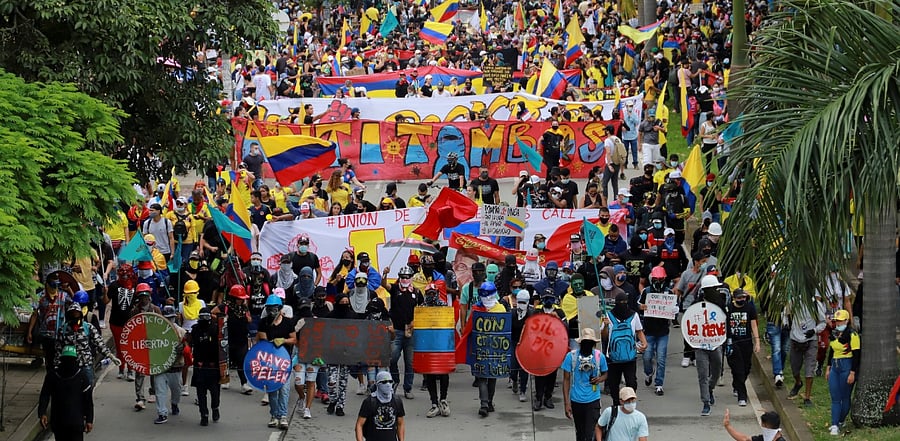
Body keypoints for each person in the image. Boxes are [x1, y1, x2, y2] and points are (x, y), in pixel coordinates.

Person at [257, 295, 297, 429]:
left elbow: (294, 339)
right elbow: (261, 338)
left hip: (284, 360)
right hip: (269, 361)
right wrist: (269, 342)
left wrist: (283, 340)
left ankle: (283, 416)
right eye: (269, 309)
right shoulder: (263, 323)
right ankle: (274, 415)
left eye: (274, 308)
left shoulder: (288, 323)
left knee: (284, 390)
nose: (271, 311)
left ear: (280, 308)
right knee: (272, 390)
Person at [38, 345, 94, 441]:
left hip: (60, 422)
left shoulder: (53, 375)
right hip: (73, 422)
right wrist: (89, 420)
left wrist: (42, 413)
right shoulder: (81, 376)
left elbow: (44, 395)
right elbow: (88, 400)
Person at [55, 303, 119, 385]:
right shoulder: (63, 330)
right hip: (69, 366)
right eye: (72, 314)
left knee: (88, 386)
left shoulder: (88, 327)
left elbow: (99, 343)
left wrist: (111, 356)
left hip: (86, 364)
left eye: (76, 314)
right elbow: (58, 350)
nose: (74, 316)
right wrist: (57, 366)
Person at [562, 328, 608, 441]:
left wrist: (599, 379)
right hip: (576, 400)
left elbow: (605, 374)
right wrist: (567, 403)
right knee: (580, 433)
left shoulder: (599, 357)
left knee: (590, 433)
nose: (587, 345)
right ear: (580, 343)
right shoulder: (571, 357)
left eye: (590, 343)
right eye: (585, 343)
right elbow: (566, 380)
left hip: (593, 399)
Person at [603, 293, 647, 408]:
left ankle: (629, 403)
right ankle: (616, 404)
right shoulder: (608, 316)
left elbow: (639, 331)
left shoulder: (634, 315)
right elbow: (604, 336)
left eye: (624, 302)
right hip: (613, 357)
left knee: (631, 382)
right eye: (620, 303)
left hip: (630, 357)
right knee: (613, 383)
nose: (623, 305)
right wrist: (605, 326)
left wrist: (644, 342)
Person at [385, 266, 422, 399]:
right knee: (393, 358)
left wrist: (414, 321)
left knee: (409, 362)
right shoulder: (395, 289)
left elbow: (421, 309)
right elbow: (384, 285)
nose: (405, 279)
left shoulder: (417, 292)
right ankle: (395, 381)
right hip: (396, 330)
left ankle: (408, 388)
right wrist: (384, 274)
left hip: (410, 331)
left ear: (411, 278)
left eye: (407, 277)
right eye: (402, 277)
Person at [471, 282, 507, 417]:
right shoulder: (476, 308)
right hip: (481, 348)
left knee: (492, 377)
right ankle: (484, 404)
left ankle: (489, 402)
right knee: (482, 377)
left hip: (496, 348)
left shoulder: (501, 309)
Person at [786, 293, 826, 407]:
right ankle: (798, 382)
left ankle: (807, 397)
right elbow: (786, 314)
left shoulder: (816, 304)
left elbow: (823, 322)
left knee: (809, 369)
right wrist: (788, 325)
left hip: (810, 340)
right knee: (795, 368)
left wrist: (814, 330)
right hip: (795, 339)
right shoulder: (794, 302)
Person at [639, 267, 673, 396]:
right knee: (646, 356)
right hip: (648, 331)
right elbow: (638, 305)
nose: (658, 281)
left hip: (663, 332)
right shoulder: (646, 292)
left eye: (660, 279)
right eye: (655, 279)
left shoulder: (669, 292)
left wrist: (674, 310)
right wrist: (641, 307)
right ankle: (649, 373)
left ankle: (659, 384)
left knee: (661, 358)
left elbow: (675, 307)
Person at [825, 309, 860, 436]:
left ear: (846, 321)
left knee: (845, 397)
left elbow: (856, 355)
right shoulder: (834, 334)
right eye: (836, 321)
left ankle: (840, 420)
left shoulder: (852, 335)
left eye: (840, 321)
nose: (838, 323)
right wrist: (828, 367)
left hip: (847, 365)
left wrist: (852, 372)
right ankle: (834, 424)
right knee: (835, 397)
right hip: (835, 366)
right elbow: (831, 351)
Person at [27, 272, 71, 369]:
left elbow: (75, 303)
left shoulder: (63, 295)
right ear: (47, 284)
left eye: (57, 285)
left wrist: (69, 289)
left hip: (60, 333)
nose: (55, 287)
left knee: (60, 358)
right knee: (49, 359)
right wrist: (30, 332)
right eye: (53, 285)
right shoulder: (40, 297)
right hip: (46, 334)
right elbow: (34, 314)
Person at [726, 289, 760, 407]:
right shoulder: (728, 309)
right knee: (738, 368)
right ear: (734, 298)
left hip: (746, 342)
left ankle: (737, 384)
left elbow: (754, 325)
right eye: (739, 298)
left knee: (746, 367)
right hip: (733, 342)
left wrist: (757, 342)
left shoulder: (750, 308)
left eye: (744, 298)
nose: (742, 300)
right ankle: (742, 396)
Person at [152, 305, 186, 424]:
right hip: (160, 367)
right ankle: (162, 413)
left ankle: (174, 403)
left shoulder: (181, 331)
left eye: (171, 317)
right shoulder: (155, 331)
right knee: (160, 391)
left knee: (177, 391)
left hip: (175, 367)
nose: (169, 320)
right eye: (167, 318)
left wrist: (183, 348)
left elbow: (187, 347)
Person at [422, 284, 452, 418]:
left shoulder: (444, 306)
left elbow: (449, 324)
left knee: (444, 373)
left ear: (437, 293)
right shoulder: (422, 308)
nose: (431, 296)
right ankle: (434, 403)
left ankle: (443, 400)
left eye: (433, 293)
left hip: (442, 345)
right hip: (428, 345)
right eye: (429, 293)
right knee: (429, 375)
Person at [130, 284, 161, 411]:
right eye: (141, 296)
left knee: (154, 370)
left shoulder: (156, 310)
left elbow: (162, 327)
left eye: (145, 295)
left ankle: (153, 392)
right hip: (140, 346)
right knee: (140, 372)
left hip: (153, 344)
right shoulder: (134, 311)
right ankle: (140, 398)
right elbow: (130, 329)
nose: (144, 298)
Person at [189, 307, 221, 426]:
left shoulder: (215, 328)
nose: (204, 319)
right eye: (202, 317)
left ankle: (215, 408)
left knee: (215, 392)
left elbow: (222, 346)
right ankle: (204, 415)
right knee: (201, 393)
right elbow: (190, 342)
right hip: (199, 364)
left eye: (206, 317)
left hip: (213, 365)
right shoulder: (195, 329)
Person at [355, 371, 406, 441]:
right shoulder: (369, 402)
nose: (388, 384)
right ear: (377, 384)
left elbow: (400, 423)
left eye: (390, 381)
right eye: (384, 382)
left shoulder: (397, 401)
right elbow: (359, 424)